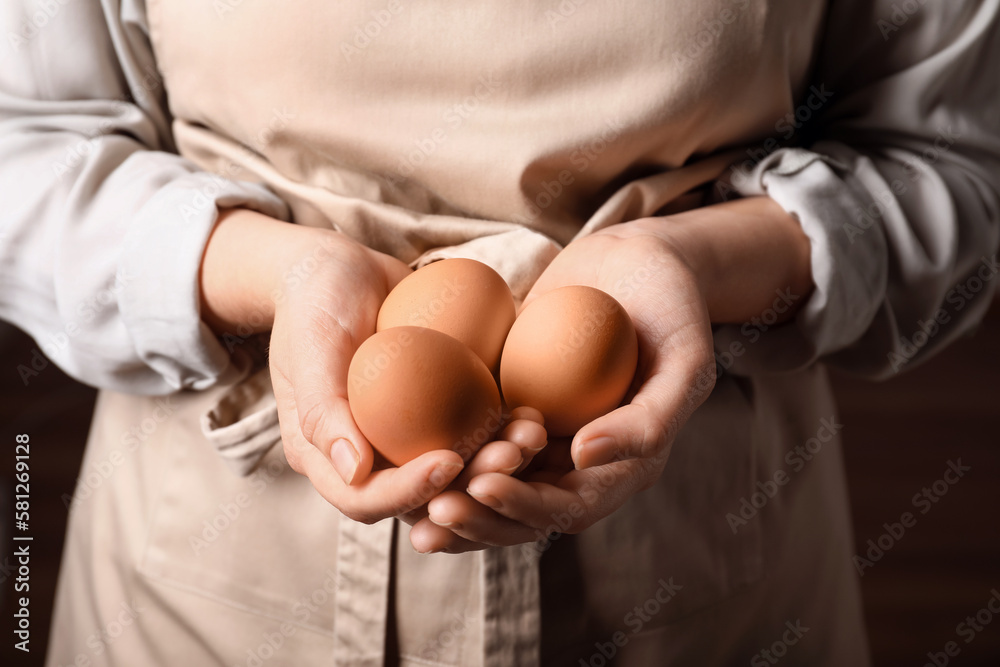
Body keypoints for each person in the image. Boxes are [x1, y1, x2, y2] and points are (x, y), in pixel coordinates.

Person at [2, 0, 998, 665]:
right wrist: (279, 272)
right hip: (214, 597)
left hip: (702, 586)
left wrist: (701, 264)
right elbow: (21, 150)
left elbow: (957, 168)